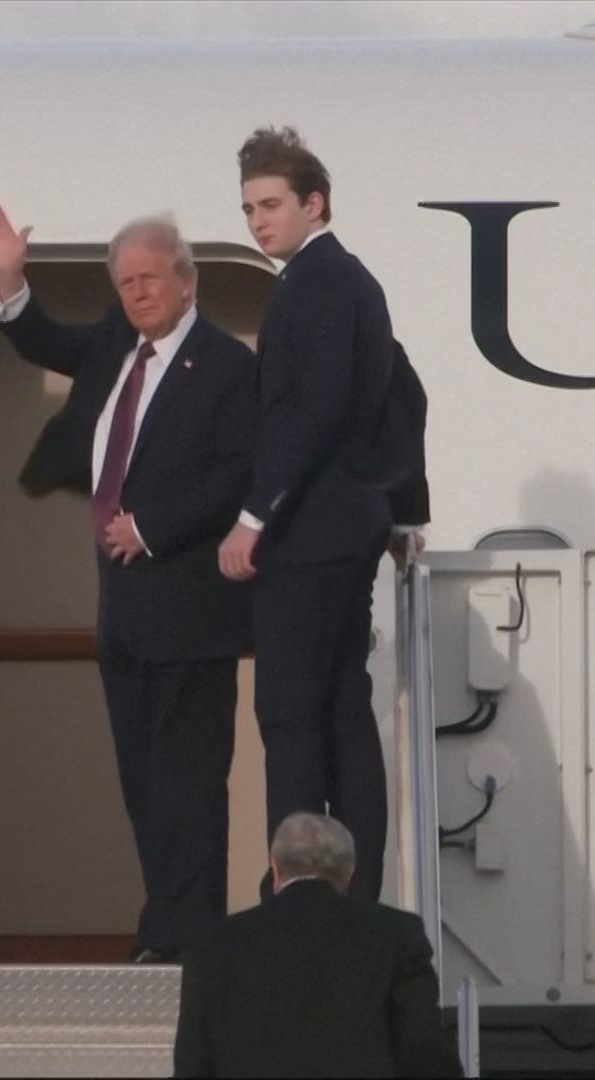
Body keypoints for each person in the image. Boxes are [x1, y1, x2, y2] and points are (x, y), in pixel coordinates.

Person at [0, 200, 257, 962]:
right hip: (123, 613)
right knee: (144, 786)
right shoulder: (114, 344)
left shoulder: (228, 367)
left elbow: (240, 472)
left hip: (190, 609)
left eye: (150, 279)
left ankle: (189, 940)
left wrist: (152, 526)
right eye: (125, 282)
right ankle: (165, 930)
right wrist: (8, 280)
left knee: (190, 784)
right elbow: (43, 340)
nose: (137, 293)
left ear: (187, 282)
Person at [218, 126, 408, 901]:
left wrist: (255, 517)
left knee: (292, 716)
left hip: (310, 537)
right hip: (346, 530)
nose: (257, 222)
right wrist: (399, 507)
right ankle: (352, 894)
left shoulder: (317, 283)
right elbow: (402, 398)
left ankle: (299, 894)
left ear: (314, 204)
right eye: (248, 209)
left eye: (270, 205)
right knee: (340, 714)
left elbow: (312, 412)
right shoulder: (351, 282)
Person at [172, 812, 461, 1079]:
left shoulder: (214, 944)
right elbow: (425, 1048)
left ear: (275, 869)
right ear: (349, 874)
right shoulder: (396, 933)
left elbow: (192, 1063)